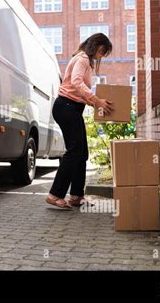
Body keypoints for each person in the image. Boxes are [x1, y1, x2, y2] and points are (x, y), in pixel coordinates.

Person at [46, 33, 115, 209]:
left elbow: (76, 90)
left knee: (82, 153)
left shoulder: (83, 60)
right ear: (98, 47)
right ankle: (55, 195)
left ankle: (76, 195)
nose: (101, 57)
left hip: (71, 107)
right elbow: (76, 82)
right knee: (74, 151)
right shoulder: (83, 58)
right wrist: (96, 100)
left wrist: (92, 103)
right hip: (66, 107)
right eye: (103, 52)